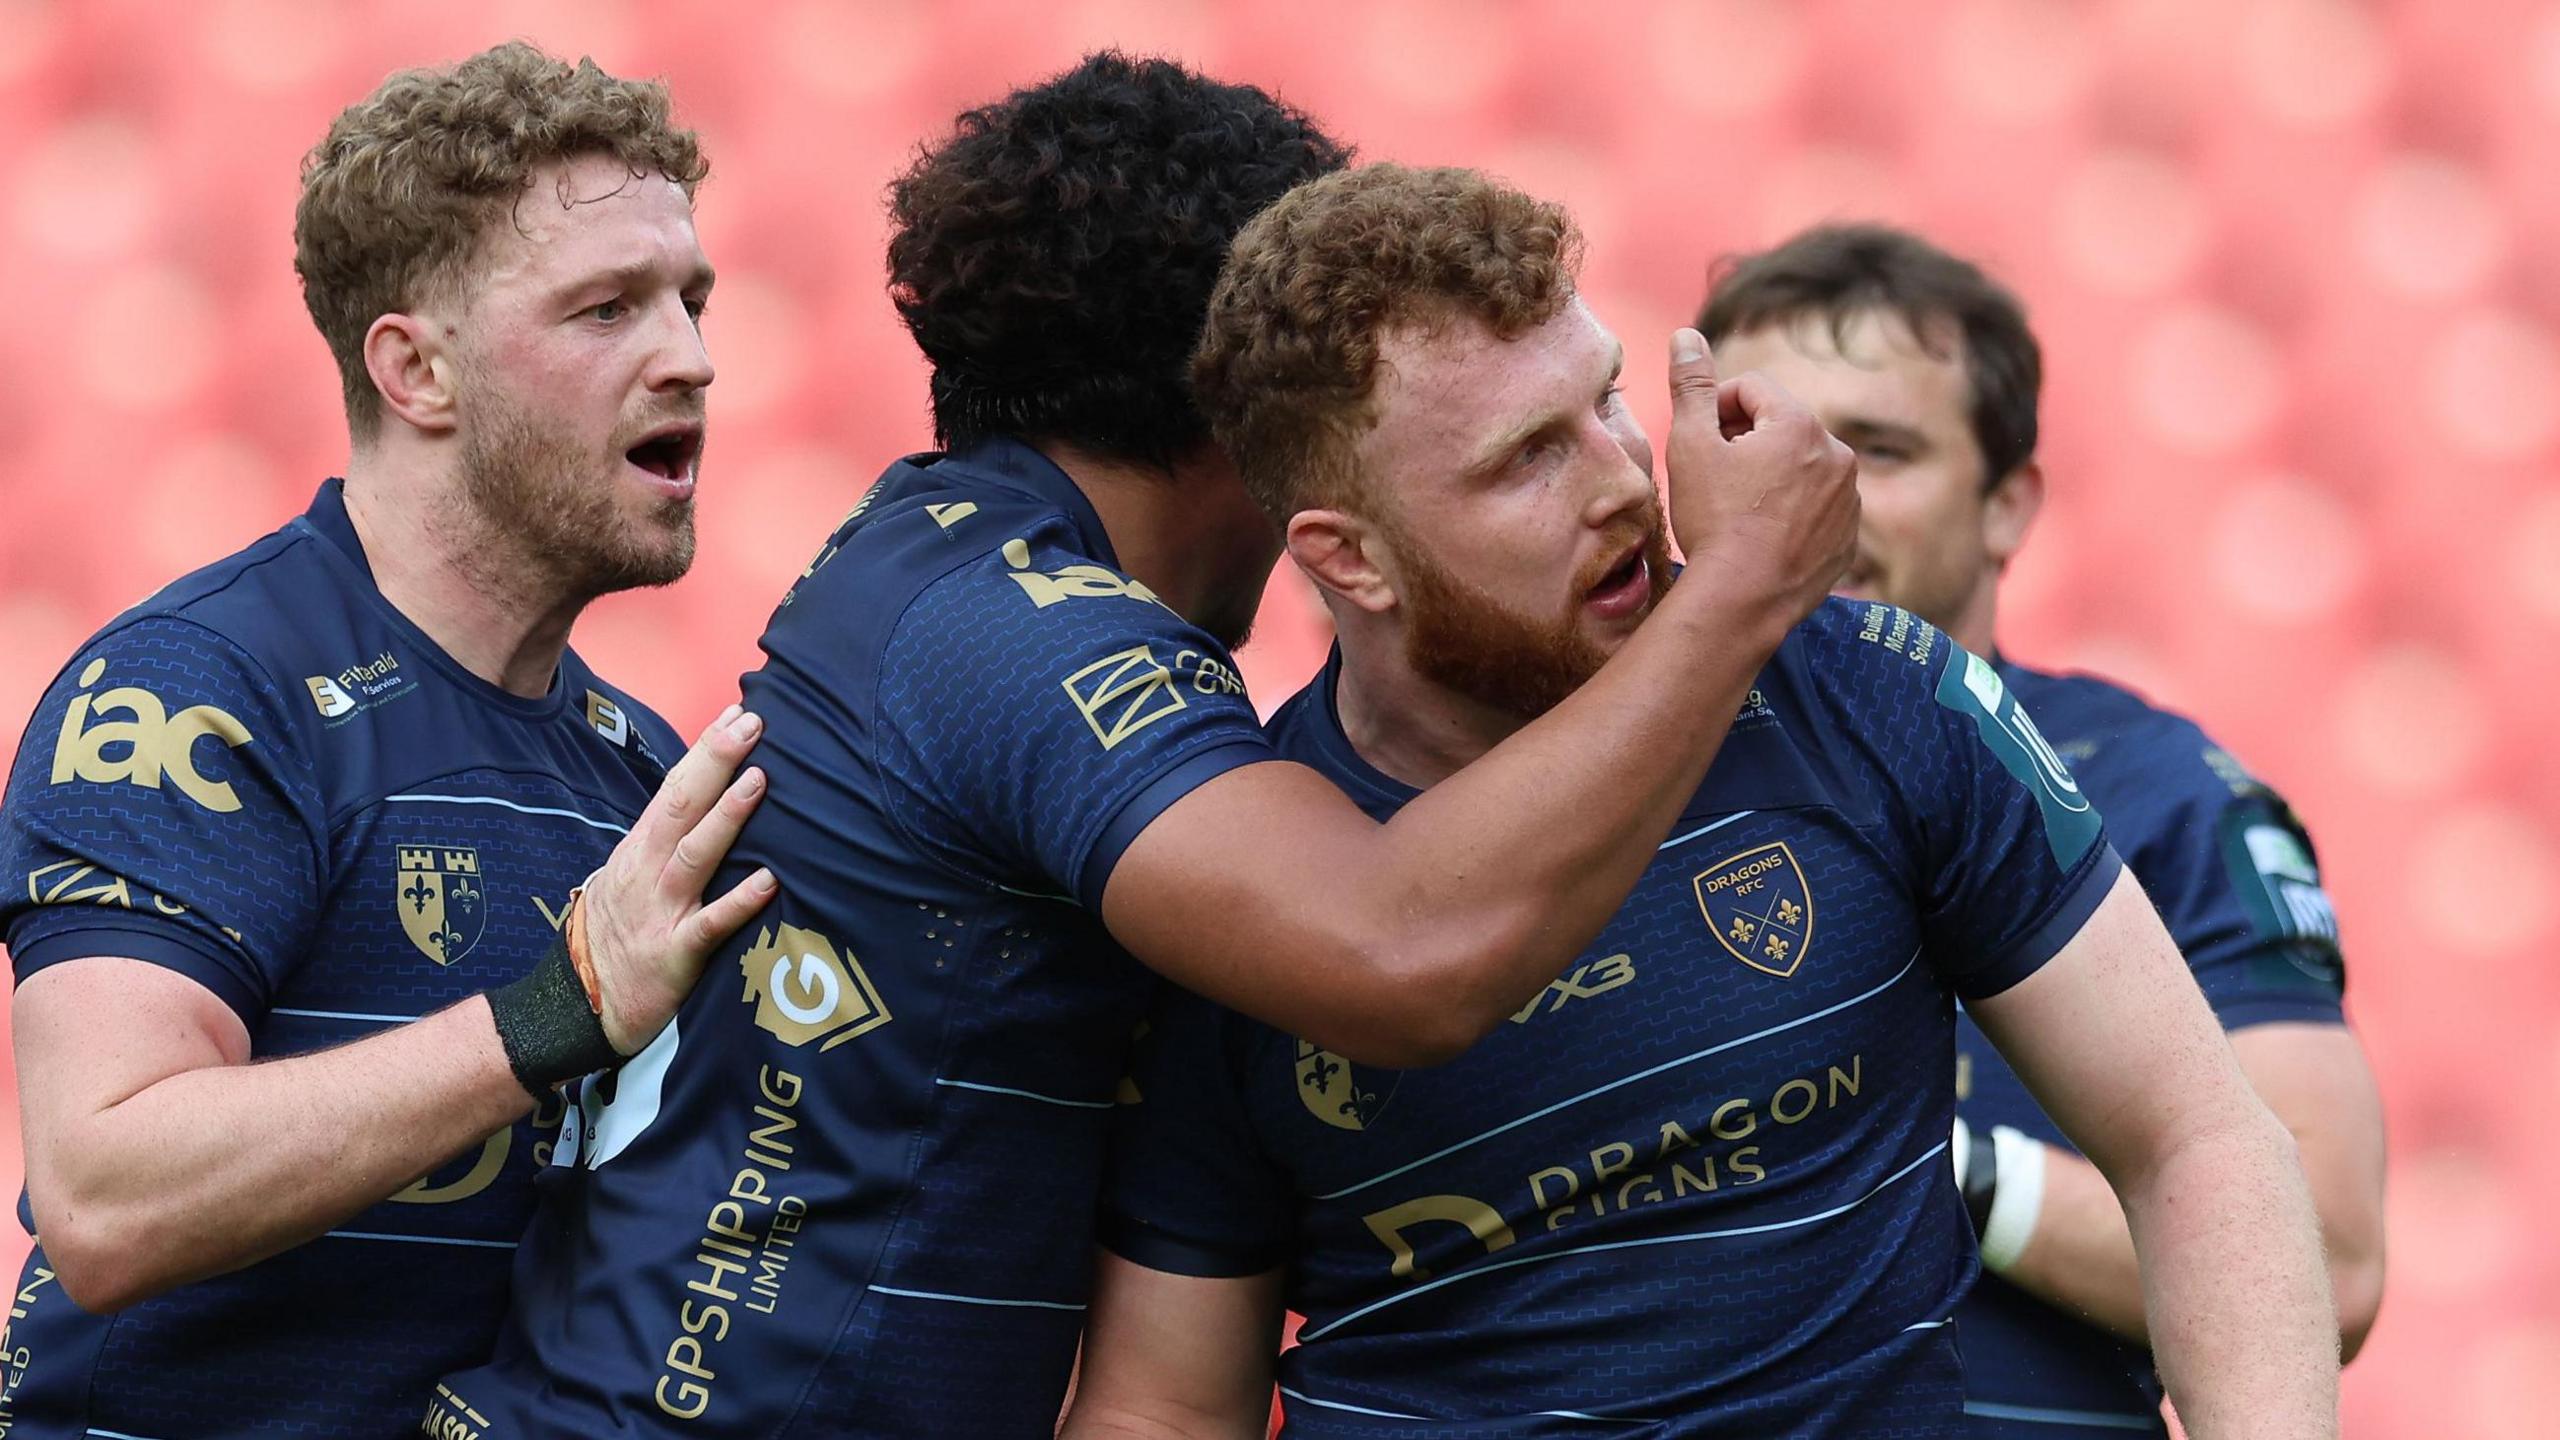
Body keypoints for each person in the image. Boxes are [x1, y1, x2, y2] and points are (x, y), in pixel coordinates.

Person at [429, 54, 1859, 1438]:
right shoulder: (1028, 632)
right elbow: (1401, 956)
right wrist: (1734, 592)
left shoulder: (935, 552)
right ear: (1239, 400)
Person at [1061, 165, 2339, 1439]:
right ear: (1349, 558)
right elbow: (1164, 1404)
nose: (1620, 479)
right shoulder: (1247, 874)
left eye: (1606, 397)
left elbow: (2202, 1143)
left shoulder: (1874, 694)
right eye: (1526, 459)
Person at [0, 42, 775, 1439]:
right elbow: (106, 1193)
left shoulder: (638, 771)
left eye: (692, 299)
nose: (693, 358)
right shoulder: (195, 691)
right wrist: (556, 1014)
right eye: (608, 309)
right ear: (418, 370)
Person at [1700, 224, 2386, 1437]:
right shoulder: (1572, 775)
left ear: (2008, 503)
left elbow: (2327, 1267)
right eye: (1764, 436)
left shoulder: (2161, 793)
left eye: (1883, 448)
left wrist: (1943, 1167)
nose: (1816, 486)